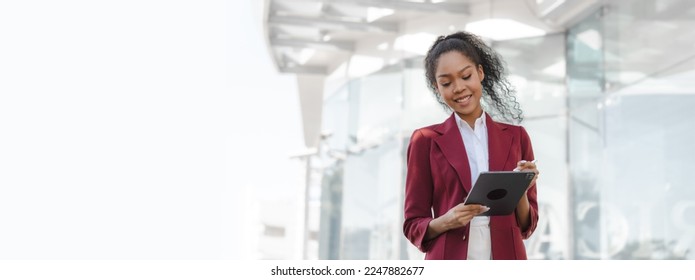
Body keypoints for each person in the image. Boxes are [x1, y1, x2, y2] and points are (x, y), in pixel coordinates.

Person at [403, 31, 539, 260]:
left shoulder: (517, 137)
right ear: (438, 88)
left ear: (480, 72)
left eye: (466, 76)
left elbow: (527, 226)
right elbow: (412, 225)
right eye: (446, 82)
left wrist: (522, 190)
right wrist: (447, 221)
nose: (458, 88)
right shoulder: (424, 140)